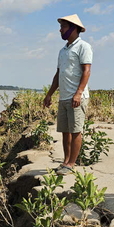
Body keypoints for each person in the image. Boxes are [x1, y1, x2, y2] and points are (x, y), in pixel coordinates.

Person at [43, 14, 93, 174]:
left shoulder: (83, 47)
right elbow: (58, 75)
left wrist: (78, 93)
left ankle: (72, 163)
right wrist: (49, 94)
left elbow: (87, 71)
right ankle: (65, 162)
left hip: (77, 97)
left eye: (63, 27)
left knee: (75, 130)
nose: (60, 30)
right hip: (64, 97)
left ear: (73, 28)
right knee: (65, 131)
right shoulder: (63, 51)